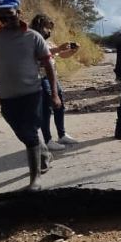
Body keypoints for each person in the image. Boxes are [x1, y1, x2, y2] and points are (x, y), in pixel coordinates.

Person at [0, 0, 60, 191]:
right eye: (1, 16)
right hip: (6, 95)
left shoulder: (33, 37)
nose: (6, 20)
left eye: (10, 15)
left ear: (19, 12)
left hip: (31, 93)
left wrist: (54, 94)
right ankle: (44, 152)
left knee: (30, 133)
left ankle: (35, 180)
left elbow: (49, 66)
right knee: (22, 132)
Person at [29, 14, 79, 151]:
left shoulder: (49, 42)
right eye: (47, 28)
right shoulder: (32, 39)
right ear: (40, 26)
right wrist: (59, 49)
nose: (49, 31)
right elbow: (42, 54)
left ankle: (62, 134)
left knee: (60, 105)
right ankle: (47, 139)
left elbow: (62, 55)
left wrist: (73, 51)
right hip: (41, 79)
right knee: (46, 109)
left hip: (53, 78)